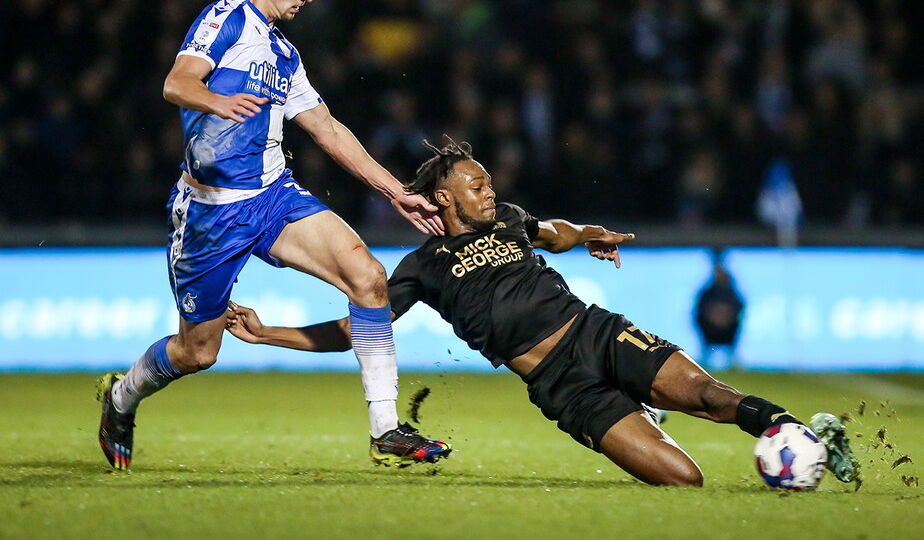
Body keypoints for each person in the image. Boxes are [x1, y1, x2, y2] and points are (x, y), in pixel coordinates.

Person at [223, 139, 860, 486]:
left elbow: (551, 230)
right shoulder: (420, 267)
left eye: (489, 183)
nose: (490, 190)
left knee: (703, 393)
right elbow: (354, 332)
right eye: (477, 185)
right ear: (443, 197)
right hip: (559, 385)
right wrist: (267, 334)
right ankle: (642, 414)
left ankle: (807, 435)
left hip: (596, 333)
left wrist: (588, 234)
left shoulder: (505, 220)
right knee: (682, 479)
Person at [96, 0, 451, 471]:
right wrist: (217, 99)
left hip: (273, 198)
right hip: (211, 213)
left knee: (369, 277)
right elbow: (176, 83)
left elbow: (328, 130)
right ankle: (121, 397)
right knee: (199, 353)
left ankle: (386, 430)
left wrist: (398, 193)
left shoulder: (285, 54)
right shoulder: (227, 19)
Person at [692, 253, 745, 371]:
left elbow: (740, 306)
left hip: (729, 327)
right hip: (709, 327)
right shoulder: (707, 291)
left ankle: (732, 359)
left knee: (737, 322)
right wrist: (712, 315)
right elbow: (699, 307)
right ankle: (705, 356)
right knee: (699, 319)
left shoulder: (731, 292)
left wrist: (725, 315)